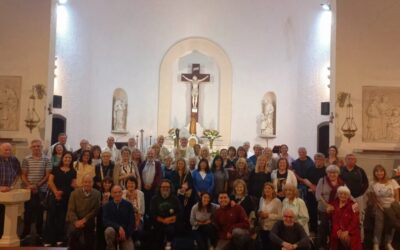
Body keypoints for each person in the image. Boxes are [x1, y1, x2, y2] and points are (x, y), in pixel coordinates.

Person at [44, 151, 77, 247]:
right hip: (54, 195)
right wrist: (56, 192)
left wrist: (62, 192)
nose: (68, 159)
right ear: (62, 158)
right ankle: (48, 239)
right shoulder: (55, 169)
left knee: (62, 218)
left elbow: (73, 184)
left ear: (72, 160)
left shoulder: (73, 171)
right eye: (66, 157)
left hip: (66, 196)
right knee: (51, 217)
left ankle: (59, 238)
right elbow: (50, 182)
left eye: (69, 158)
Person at [20, 139, 52, 240]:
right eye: (34, 146)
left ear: (41, 147)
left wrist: (37, 186)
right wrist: (30, 185)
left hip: (41, 190)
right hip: (28, 189)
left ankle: (39, 232)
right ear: (31, 148)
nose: (36, 148)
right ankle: (26, 232)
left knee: (40, 212)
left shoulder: (47, 159)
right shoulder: (26, 159)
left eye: (38, 146)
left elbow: (47, 176)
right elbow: (23, 175)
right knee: (28, 212)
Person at [368, 165, 399, 250]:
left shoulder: (392, 181)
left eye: (381, 171)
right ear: (374, 173)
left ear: (384, 172)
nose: (379, 173)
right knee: (379, 225)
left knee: (391, 224)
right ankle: (376, 243)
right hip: (380, 206)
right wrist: (378, 204)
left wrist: (395, 204)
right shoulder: (372, 183)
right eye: (377, 171)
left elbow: (397, 194)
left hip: (392, 206)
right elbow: (372, 196)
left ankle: (388, 243)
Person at [66, 174, 101, 250]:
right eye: (85, 182)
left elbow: (96, 210)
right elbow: (71, 210)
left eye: (89, 182)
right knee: (73, 234)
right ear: (82, 183)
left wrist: (84, 220)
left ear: (93, 183)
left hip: (88, 221)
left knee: (89, 243)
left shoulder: (97, 194)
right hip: (75, 221)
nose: (87, 184)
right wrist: (76, 222)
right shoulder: (74, 193)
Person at [315, 164, 344, 249]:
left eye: (334, 172)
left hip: (335, 210)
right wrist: (327, 205)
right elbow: (318, 195)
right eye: (330, 172)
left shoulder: (341, 182)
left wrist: (354, 202)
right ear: (327, 173)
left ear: (338, 173)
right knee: (322, 228)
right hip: (323, 209)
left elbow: (347, 194)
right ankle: (322, 246)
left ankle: (332, 246)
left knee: (334, 228)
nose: (332, 174)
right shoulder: (322, 180)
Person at [340, 154, 368, 239]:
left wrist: (360, 193)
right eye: (348, 159)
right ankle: (346, 238)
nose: (350, 160)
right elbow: (338, 183)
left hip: (357, 198)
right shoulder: (341, 170)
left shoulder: (360, 170)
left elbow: (366, 183)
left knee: (359, 218)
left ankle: (360, 239)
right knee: (345, 218)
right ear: (345, 160)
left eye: (352, 159)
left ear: (355, 161)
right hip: (345, 198)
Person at [150, 179, 182, 250]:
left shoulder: (175, 199)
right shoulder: (154, 199)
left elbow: (180, 212)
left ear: (170, 188)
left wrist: (172, 218)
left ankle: (169, 242)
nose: (165, 188)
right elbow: (152, 213)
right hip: (158, 222)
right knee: (158, 241)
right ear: (160, 188)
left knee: (171, 229)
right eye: (163, 187)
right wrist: (163, 220)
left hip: (171, 222)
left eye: (167, 187)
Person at [329, 186, 362, 250]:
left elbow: (355, 220)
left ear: (348, 195)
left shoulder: (354, 205)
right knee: (338, 236)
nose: (343, 195)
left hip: (351, 230)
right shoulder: (334, 204)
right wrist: (338, 230)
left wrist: (347, 231)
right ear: (338, 194)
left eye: (345, 194)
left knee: (345, 237)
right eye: (341, 194)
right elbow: (333, 220)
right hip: (338, 230)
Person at [103, 185, 135, 250]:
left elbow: (132, 222)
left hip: (125, 234)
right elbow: (105, 221)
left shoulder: (129, 205)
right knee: (108, 231)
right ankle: (111, 247)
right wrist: (118, 227)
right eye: (115, 192)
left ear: (122, 193)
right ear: (111, 194)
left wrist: (126, 235)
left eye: (119, 192)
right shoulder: (107, 206)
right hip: (113, 232)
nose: (117, 194)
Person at [0, 142, 21, 238]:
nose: (8, 151)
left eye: (9, 150)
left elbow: (18, 173)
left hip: (8, 192)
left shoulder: (14, 159)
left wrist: (12, 186)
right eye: (5, 150)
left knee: (6, 217)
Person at [302, 152, 326, 234]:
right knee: (312, 212)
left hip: (323, 196)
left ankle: (322, 230)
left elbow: (327, 183)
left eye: (320, 159)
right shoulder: (310, 169)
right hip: (310, 194)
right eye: (316, 159)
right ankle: (313, 229)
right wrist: (312, 187)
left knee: (322, 213)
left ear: (323, 160)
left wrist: (317, 189)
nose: (318, 161)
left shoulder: (326, 170)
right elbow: (305, 180)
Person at [170, 158, 195, 229]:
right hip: (176, 195)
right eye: (179, 163)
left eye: (182, 163)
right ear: (177, 164)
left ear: (184, 164)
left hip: (185, 196)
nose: (180, 165)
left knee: (185, 211)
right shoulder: (173, 172)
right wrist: (181, 187)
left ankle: (184, 227)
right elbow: (172, 183)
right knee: (177, 211)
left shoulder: (187, 173)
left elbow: (190, 183)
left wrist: (185, 188)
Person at [258, 182, 282, 250]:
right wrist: (260, 213)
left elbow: (281, 216)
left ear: (273, 190)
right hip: (262, 227)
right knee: (264, 246)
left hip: (272, 229)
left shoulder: (277, 201)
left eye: (269, 188)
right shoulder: (261, 199)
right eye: (265, 188)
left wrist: (268, 215)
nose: (267, 190)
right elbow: (260, 209)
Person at [139, 148, 162, 216]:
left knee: (153, 206)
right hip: (143, 189)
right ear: (146, 155)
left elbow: (159, 176)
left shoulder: (157, 164)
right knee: (144, 206)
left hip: (153, 189)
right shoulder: (142, 164)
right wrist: (143, 185)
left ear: (154, 155)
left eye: (152, 154)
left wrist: (152, 185)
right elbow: (139, 176)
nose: (150, 155)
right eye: (149, 153)